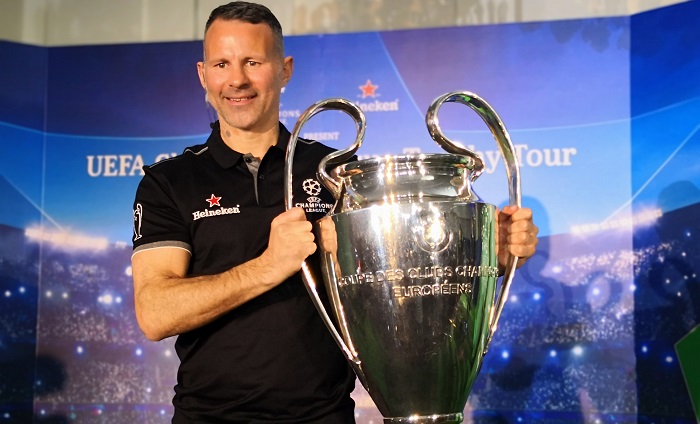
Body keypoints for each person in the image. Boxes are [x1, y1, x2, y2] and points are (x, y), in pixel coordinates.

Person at [130, 2, 540, 423]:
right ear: (203, 74)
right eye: (222, 64)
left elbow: (398, 278)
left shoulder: (339, 173)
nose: (237, 79)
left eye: (253, 62)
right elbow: (155, 314)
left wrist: (494, 255)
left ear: (284, 69)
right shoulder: (169, 182)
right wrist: (267, 267)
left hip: (324, 416)